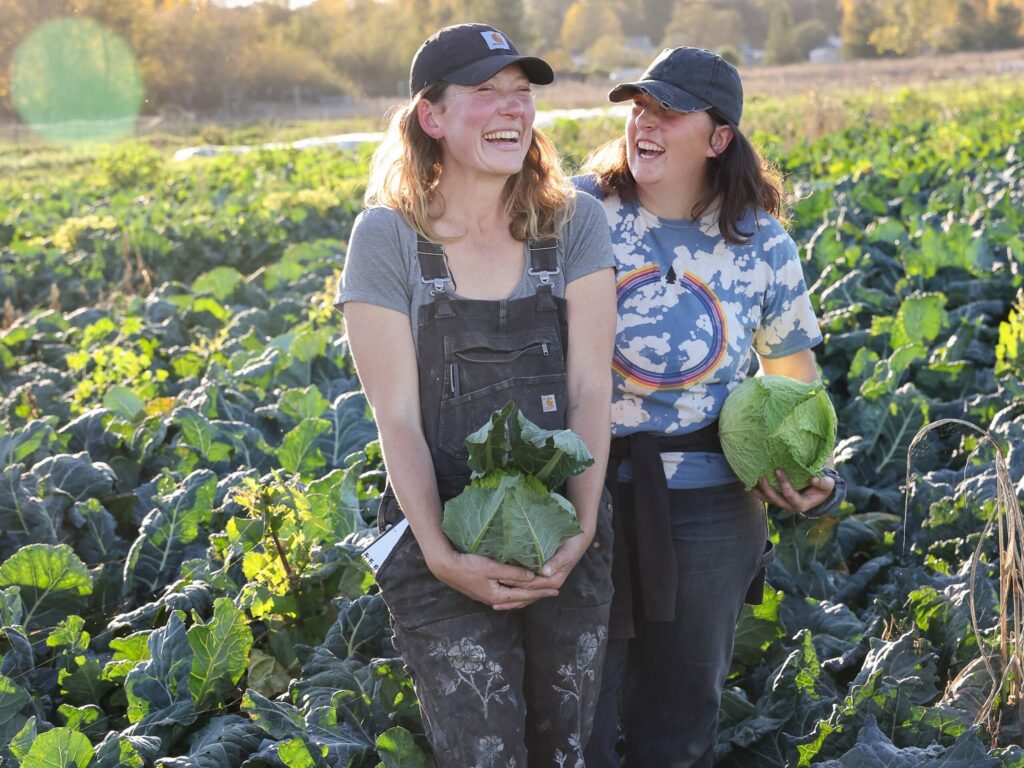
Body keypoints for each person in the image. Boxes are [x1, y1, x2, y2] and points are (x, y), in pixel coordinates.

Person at [335, 23, 617, 768]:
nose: (511, 111)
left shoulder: (573, 222)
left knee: (567, 751)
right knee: (482, 752)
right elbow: (394, 417)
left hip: (564, 531)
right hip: (442, 536)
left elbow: (592, 388)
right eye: (485, 93)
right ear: (432, 116)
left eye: (521, 94)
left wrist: (581, 531)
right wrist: (438, 552)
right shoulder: (388, 239)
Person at [574, 48, 845, 767]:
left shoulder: (762, 242)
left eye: (668, 110)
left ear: (718, 137)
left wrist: (814, 468)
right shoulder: (576, 213)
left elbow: (792, 375)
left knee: (681, 717)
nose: (644, 123)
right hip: (579, 496)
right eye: (637, 107)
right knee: (576, 718)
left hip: (710, 508)